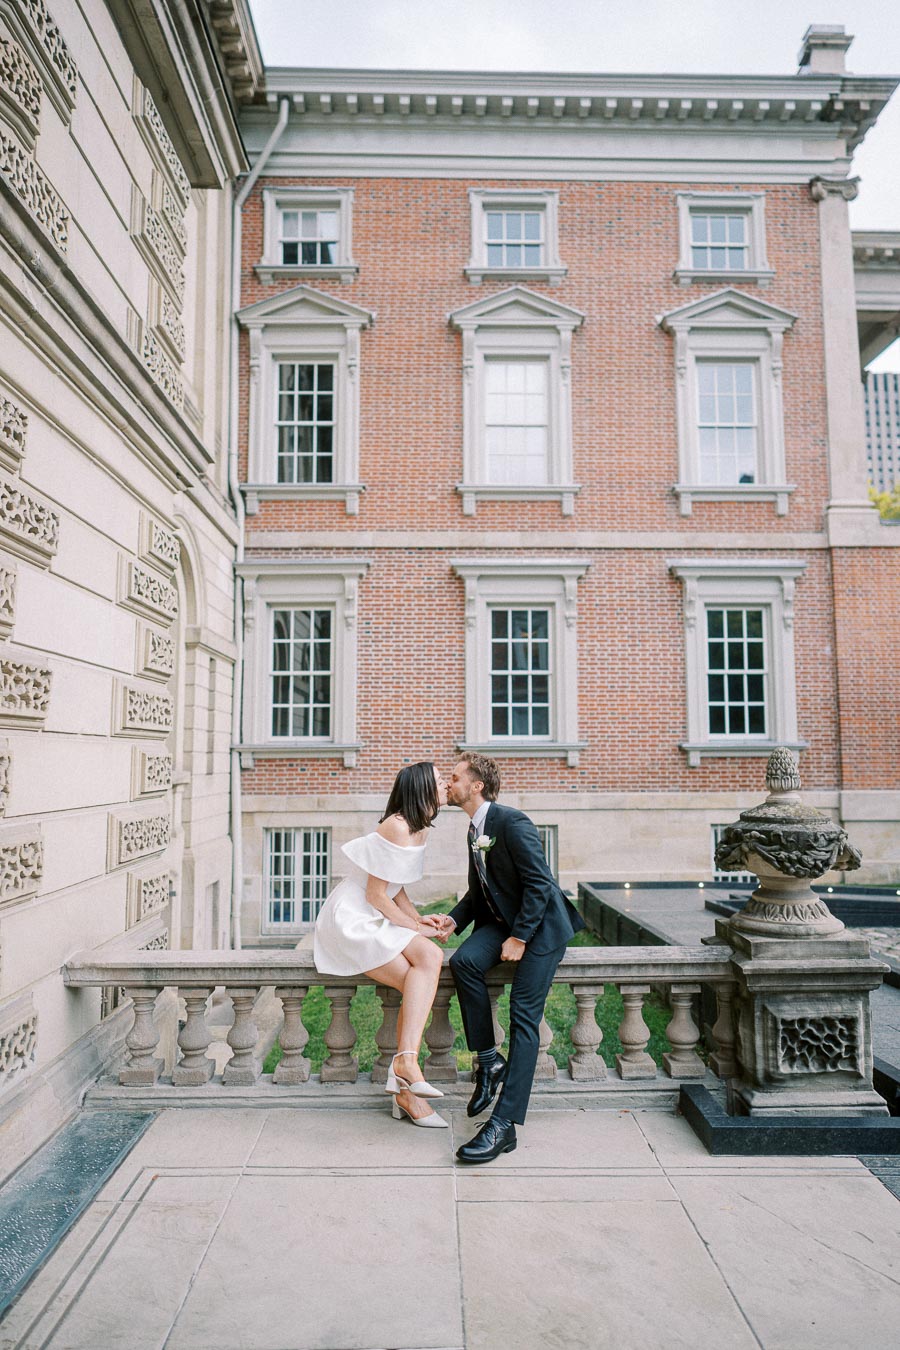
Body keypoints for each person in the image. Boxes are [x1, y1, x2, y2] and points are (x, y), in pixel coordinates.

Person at [434, 753, 585, 1162]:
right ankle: (488, 1062)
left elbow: (540, 884)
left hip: (541, 927)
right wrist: (452, 920)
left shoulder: (512, 822)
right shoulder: (474, 829)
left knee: (523, 1014)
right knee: (463, 962)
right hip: (503, 920)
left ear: (476, 785)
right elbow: (480, 891)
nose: (448, 784)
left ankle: (504, 1124)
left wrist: (520, 937)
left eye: (454, 777)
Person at [313, 762, 450, 1127]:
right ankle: (405, 1075)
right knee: (422, 967)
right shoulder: (397, 825)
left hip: (378, 909)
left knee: (425, 963)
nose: (447, 784)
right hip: (353, 915)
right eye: (440, 780)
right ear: (423, 787)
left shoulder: (419, 828)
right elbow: (375, 895)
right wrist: (415, 930)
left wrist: (420, 920)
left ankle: (404, 1078)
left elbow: (396, 884)